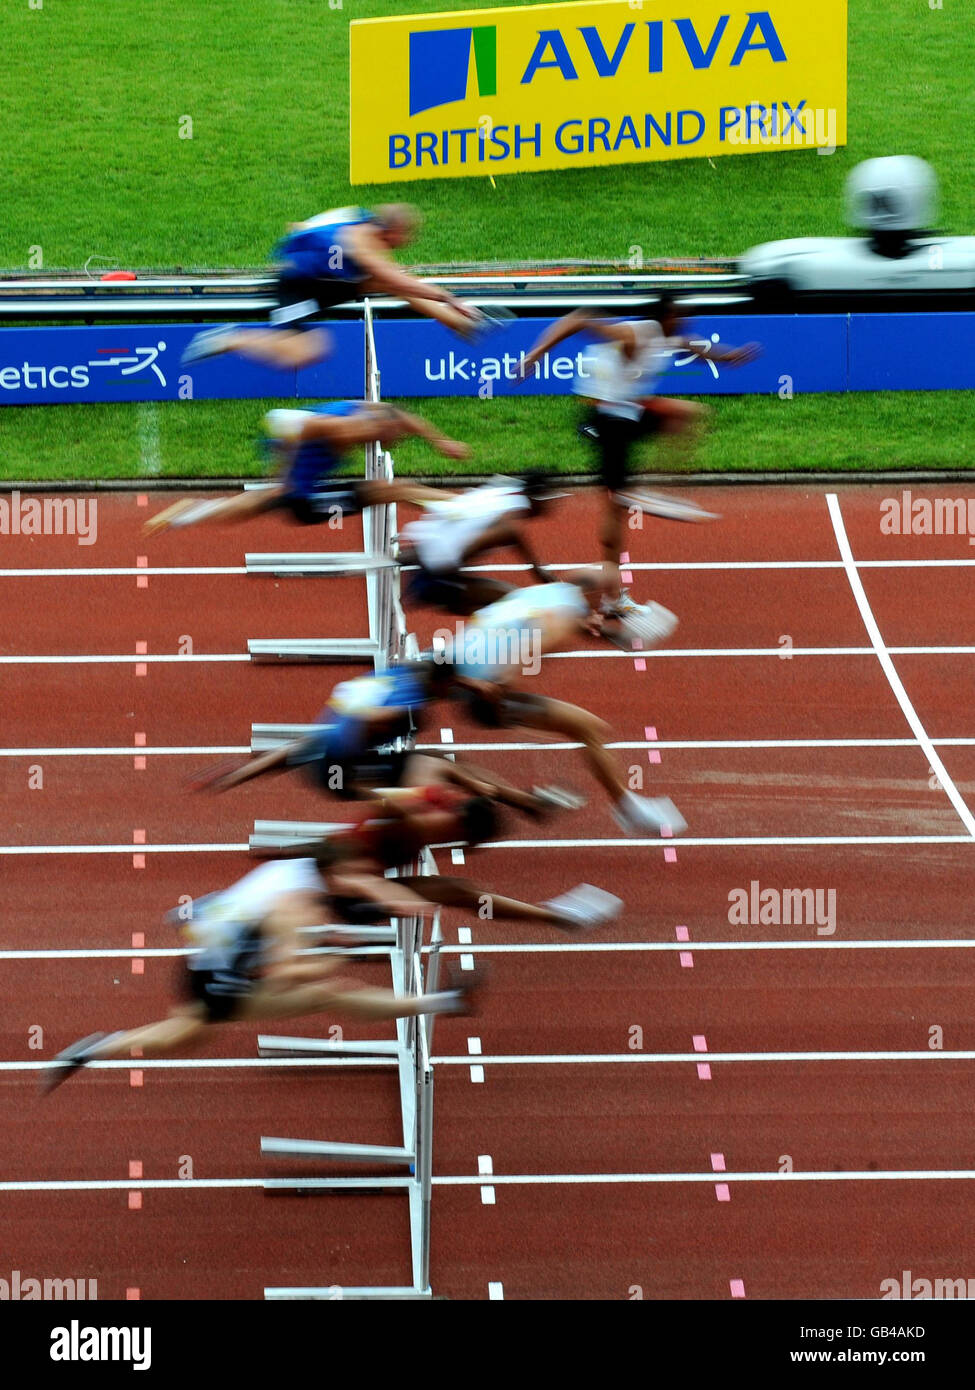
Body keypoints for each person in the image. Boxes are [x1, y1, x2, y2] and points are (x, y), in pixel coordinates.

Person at [40, 848, 479, 1094]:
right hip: (223, 979)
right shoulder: (298, 905)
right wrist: (332, 957)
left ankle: (94, 1049)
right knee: (333, 992)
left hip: (201, 964)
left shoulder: (290, 872)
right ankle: (443, 1001)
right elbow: (287, 973)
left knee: (187, 1034)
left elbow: (218, 913)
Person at [517, 296, 760, 598]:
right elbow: (581, 317)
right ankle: (612, 590)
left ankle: (650, 485)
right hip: (602, 415)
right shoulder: (634, 335)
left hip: (629, 410)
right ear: (666, 315)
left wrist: (731, 356)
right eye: (680, 314)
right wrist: (537, 353)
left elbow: (696, 348)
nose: (685, 320)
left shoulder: (668, 337)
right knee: (615, 507)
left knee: (687, 413)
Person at [428, 576, 688, 836]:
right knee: (589, 728)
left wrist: (627, 637)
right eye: (604, 604)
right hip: (484, 691)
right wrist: (496, 692)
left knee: (589, 727)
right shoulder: (562, 619)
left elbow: (584, 602)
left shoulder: (555, 593)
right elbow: (524, 655)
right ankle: (629, 810)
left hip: (454, 663)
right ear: (591, 599)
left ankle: (626, 806)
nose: (602, 614)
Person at [181, 204, 495, 371]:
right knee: (307, 352)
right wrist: (447, 297)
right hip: (297, 286)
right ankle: (231, 338)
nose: (411, 240)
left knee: (387, 283)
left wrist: (452, 314)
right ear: (395, 231)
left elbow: (305, 226)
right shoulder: (361, 242)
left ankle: (456, 324)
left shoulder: (362, 222)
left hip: (326, 283)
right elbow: (396, 279)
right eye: (409, 234)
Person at [142, 401, 468, 537]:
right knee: (390, 490)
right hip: (304, 496)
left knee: (260, 504)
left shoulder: (376, 413)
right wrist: (283, 474)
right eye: (394, 437)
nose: (398, 440)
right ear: (380, 431)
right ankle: (461, 509)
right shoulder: (346, 428)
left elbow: (402, 415)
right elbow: (284, 423)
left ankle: (188, 514)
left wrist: (441, 442)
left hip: (304, 475)